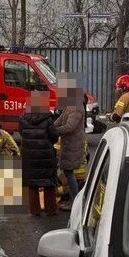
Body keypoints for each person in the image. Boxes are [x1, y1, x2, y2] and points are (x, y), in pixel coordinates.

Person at [18, 91, 61, 216]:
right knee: (49, 183)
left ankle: (35, 211)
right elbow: (53, 136)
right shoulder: (48, 118)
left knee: (32, 184)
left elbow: (22, 134)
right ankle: (50, 210)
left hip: (29, 156)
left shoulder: (23, 119)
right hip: (46, 155)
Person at [51, 74, 88, 211]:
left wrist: (54, 131)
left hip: (73, 144)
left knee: (69, 171)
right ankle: (74, 199)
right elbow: (60, 120)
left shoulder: (75, 106)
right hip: (69, 143)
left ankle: (75, 202)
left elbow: (70, 126)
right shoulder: (70, 103)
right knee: (67, 171)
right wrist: (49, 126)